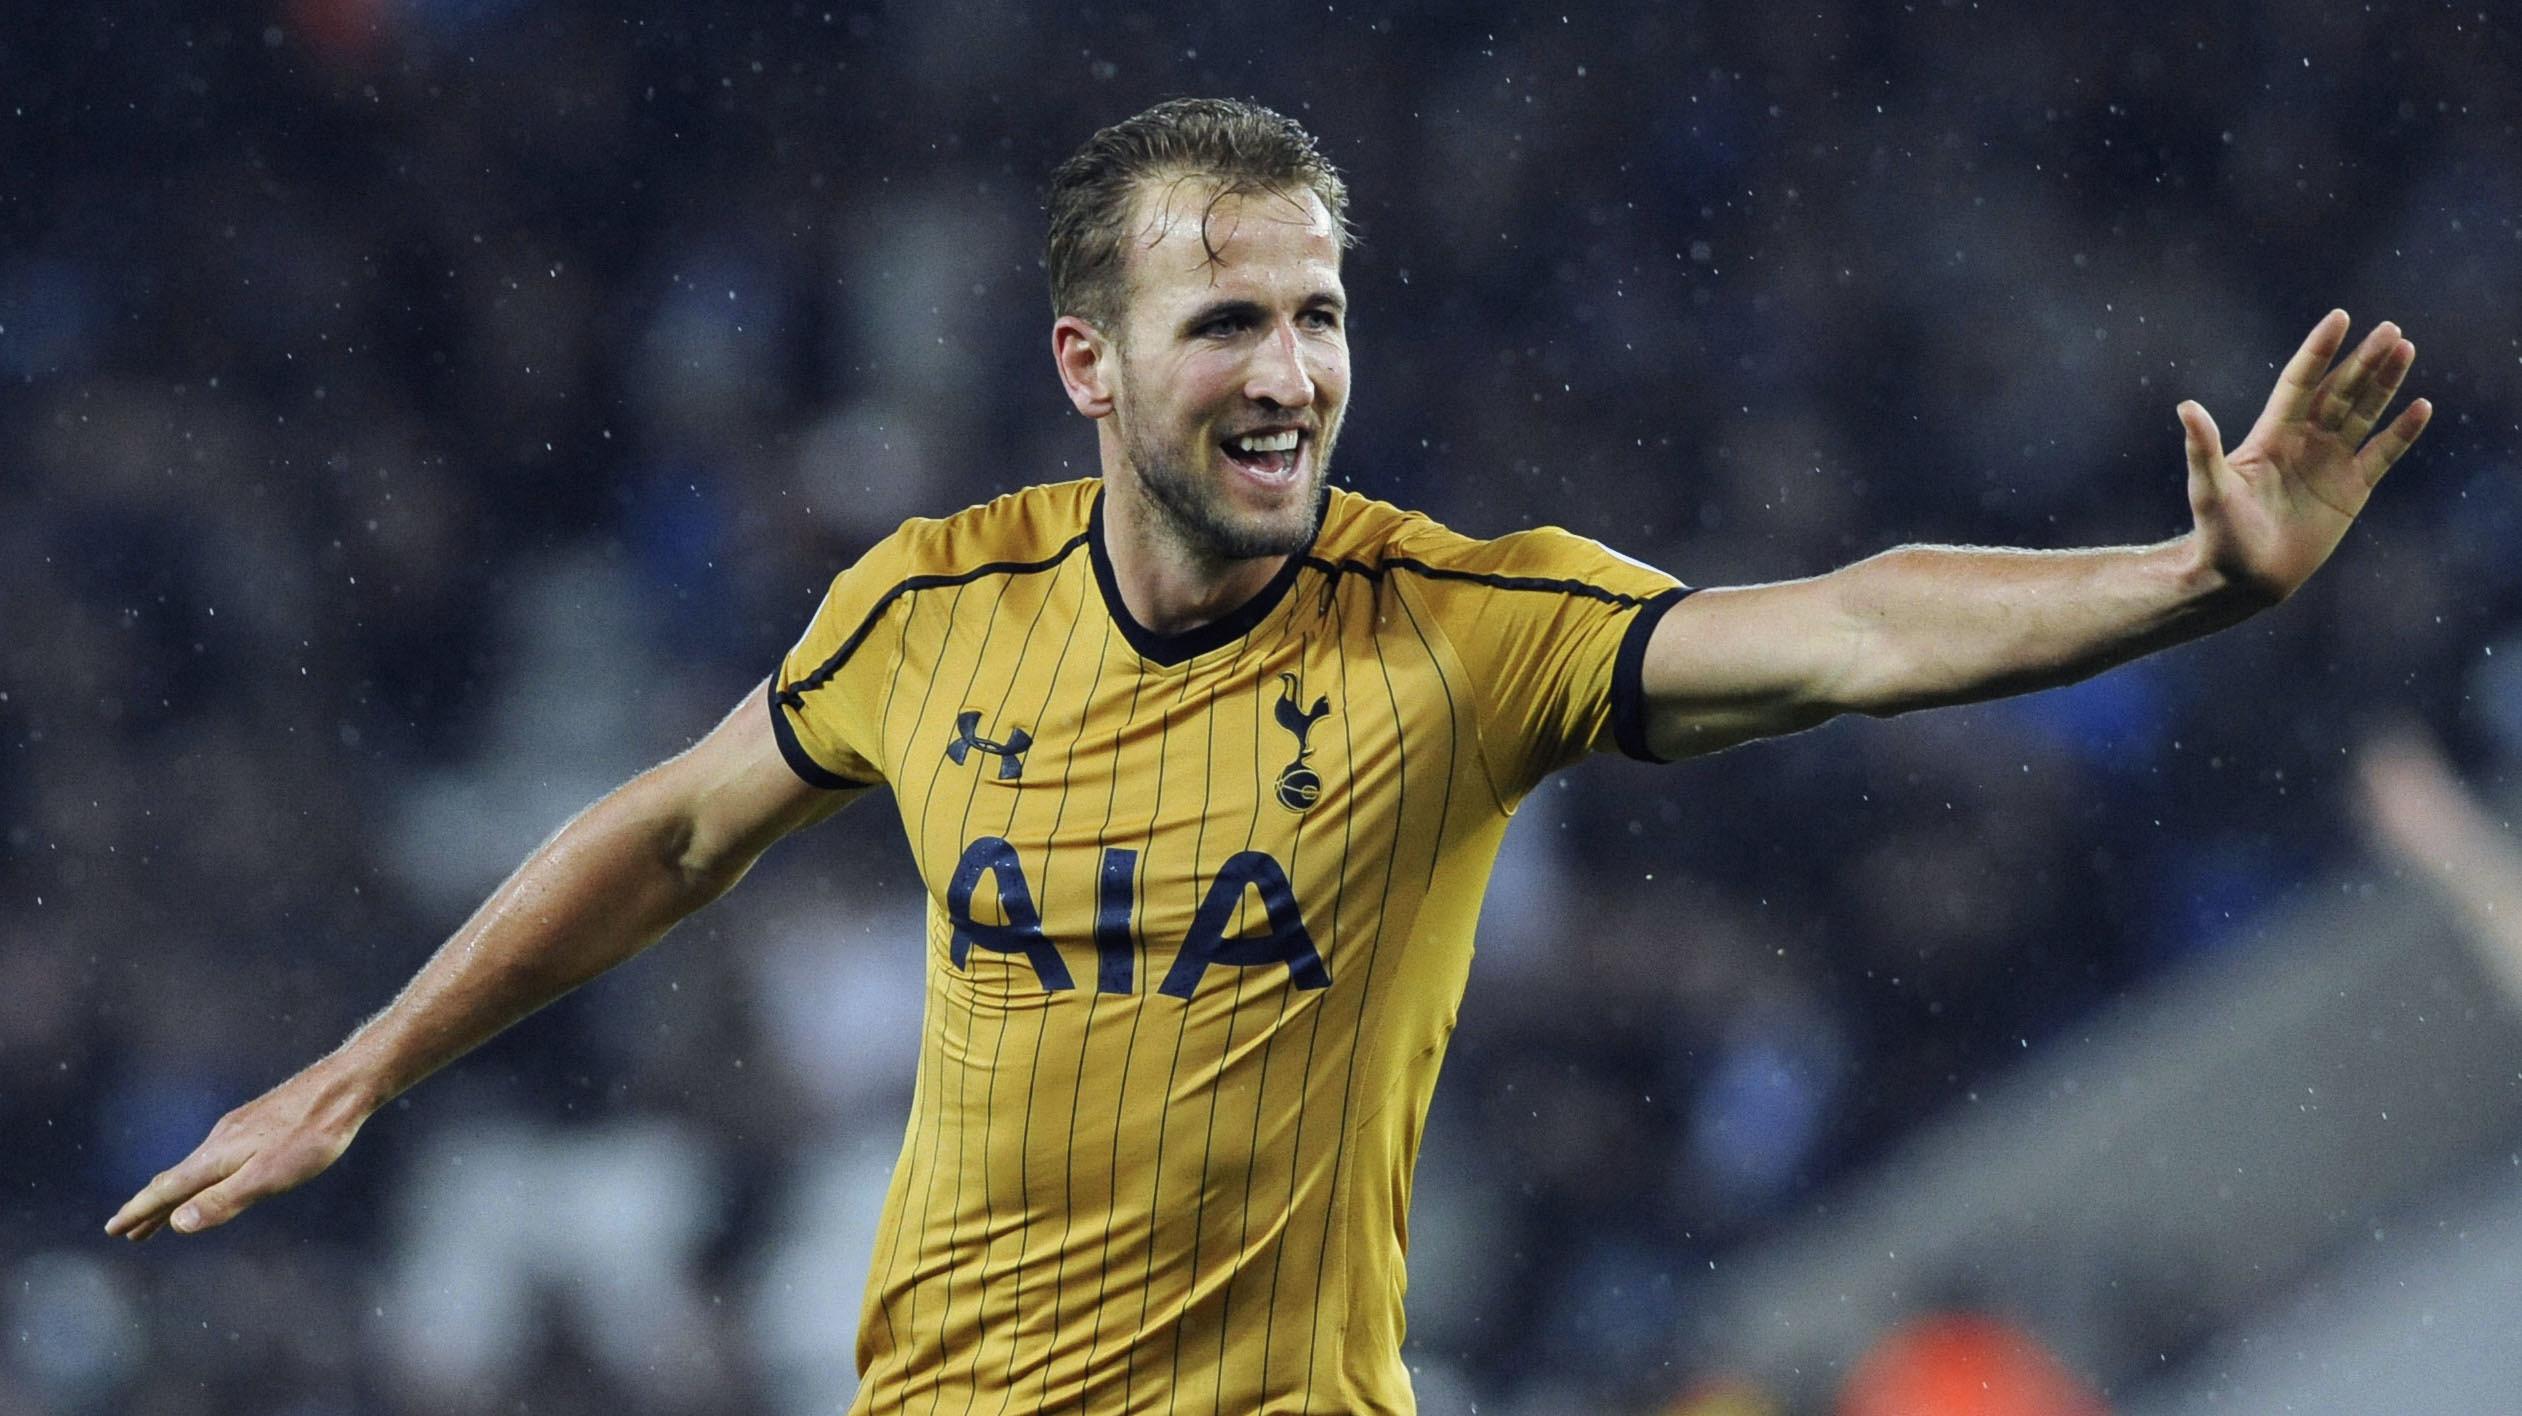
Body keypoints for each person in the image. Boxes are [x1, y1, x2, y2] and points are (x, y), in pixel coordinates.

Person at [107, 97, 2430, 1412]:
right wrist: (362, 1074)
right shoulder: (928, 615)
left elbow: (1831, 632)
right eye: (1229, 314)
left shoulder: (1454, 628)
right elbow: (676, 830)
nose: (1294, 366)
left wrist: (2183, 588)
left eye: (1320, 312)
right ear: (1088, 365)